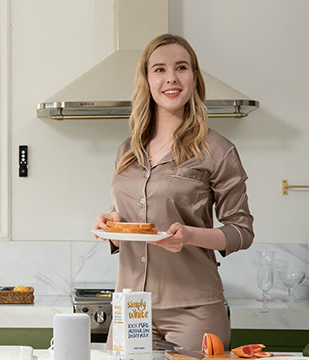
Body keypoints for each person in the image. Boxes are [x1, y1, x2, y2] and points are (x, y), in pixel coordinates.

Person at [94, 34, 254, 351]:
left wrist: (189, 236)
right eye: (159, 69)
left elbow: (241, 231)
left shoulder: (218, 150)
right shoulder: (127, 150)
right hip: (131, 308)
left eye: (181, 67)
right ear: (147, 79)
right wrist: (112, 227)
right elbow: (136, 221)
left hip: (194, 311)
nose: (171, 78)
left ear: (194, 77)